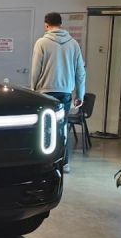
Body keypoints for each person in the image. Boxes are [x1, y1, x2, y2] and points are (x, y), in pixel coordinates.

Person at [30, 12, 86, 173]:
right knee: (62, 127)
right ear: (61, 24)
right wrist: (80, 95)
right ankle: (64, 162)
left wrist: (33, 90)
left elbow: (36, 70)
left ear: (46, 25)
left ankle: (44, 162)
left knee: (44, 128)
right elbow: (80, 72)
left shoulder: (41, 43)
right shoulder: (73, 43)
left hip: (45, 92)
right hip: (65, 93)